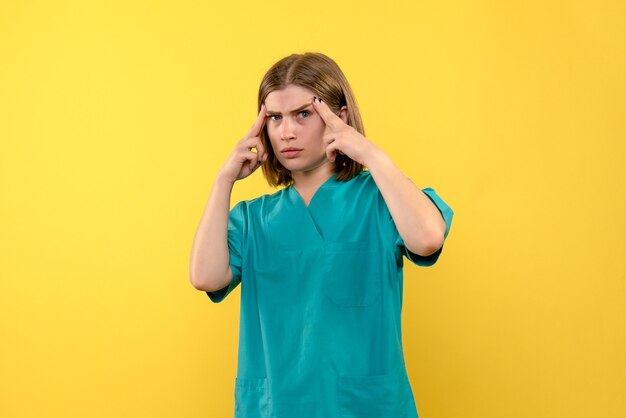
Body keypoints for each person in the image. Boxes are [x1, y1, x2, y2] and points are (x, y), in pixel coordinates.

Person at [189, 52, 454, 418]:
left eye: (303, 114)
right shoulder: (253, 220)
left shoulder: (380, 201)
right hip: (276, 407)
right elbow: (205, 276)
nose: (287, 132)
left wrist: (370, 154)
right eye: (275, 118)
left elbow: (427, 237)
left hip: (365, 408)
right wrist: (223, 181)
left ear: (339, 118)